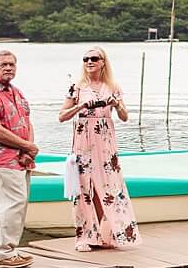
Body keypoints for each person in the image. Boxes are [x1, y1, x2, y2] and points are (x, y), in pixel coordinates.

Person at [58, 45, 139, 250]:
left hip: (105, 140)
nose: (89, 62)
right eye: (85, 59)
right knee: (84, 186)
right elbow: (62, 116)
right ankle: (85, 236)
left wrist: (116, 104)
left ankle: (104, 233)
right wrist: (81, 106)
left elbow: (124, 117)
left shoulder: (112, 86)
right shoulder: (76, 87)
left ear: (103, 62)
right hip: (83, 138)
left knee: (109, 186)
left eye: (94, 58)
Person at [0, 50, 39, 268]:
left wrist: (27, 150)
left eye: (12, 64)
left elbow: (27, 122)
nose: (9, 68)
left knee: (18, 205)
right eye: (3, 64)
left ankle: (9, 250)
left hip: (21, 159)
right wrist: (26, 146)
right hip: (2, 160)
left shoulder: (16, 92)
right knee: (12, 204)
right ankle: (3, 253)